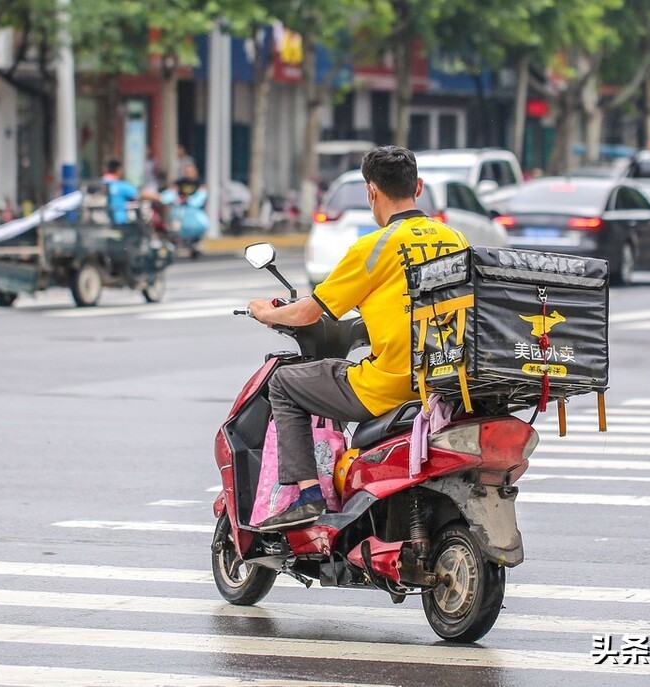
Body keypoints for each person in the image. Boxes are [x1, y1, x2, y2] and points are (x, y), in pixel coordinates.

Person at [248, 145, 468, 530]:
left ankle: (307, 496)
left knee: (283, 383)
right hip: (450, 380)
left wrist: (265, 312)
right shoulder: (455, 238)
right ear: (417, 186)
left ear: (371, 191)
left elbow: (308, 312)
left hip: (393, 385)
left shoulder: (374, 247)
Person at [161, 160, 210, 257]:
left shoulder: (199, 182)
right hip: (180, 210)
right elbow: (171, 192)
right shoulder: (179, 182)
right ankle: (174, 244)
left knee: (198, 226)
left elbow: (202, 195)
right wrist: (163, 198)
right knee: (175, 227)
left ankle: (195, 243)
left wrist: (192, 201)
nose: (188, 173)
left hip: (194, 212)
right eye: (186, 171)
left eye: (190, 171)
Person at [102, 159, 158, 225]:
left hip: (99, 223)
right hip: (119, 223)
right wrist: (160, 198)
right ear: (118, 169)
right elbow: (141, 194)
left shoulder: (99, 184)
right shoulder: (121, 185)